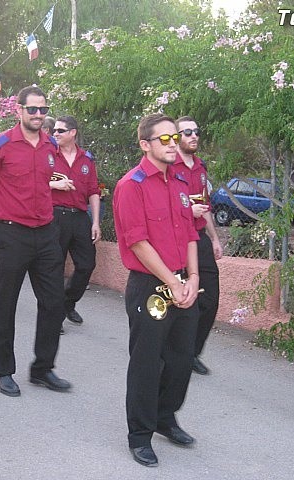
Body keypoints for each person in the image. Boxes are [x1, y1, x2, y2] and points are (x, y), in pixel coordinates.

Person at [113, 113, 200, 467]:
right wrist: (173, 281)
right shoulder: (130, 185)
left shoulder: (180, 182)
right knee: (148, 362)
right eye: (164, 139)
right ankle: (140, 434)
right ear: (145, 145)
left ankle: (166, 417)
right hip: (151, 285)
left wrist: (193, 278)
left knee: (181, 359)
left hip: (183, 282)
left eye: (175, 138)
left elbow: (191, 233)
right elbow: (137, 242)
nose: (173, 144)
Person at [0, 85, 71, 397]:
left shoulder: (50, 146)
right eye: (32, 109)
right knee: (6, 304)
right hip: (11, 232)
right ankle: (2, 371)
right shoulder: (0, 145)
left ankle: (43, 369)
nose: (39, 115)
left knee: (54, 302)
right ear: (18, 111)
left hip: (45, 233)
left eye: (43, 110)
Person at [174, 116, 222, 375]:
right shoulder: (171, 165)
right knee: (180, 299)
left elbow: (205, 209)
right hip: (177, 239)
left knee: (210, 299)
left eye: (196, 131)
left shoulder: (200, 168)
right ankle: (177, 351)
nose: (193, 136)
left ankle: (191, 352)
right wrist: (186, 211)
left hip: (199, 239)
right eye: (187, 132)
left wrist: (214, 239)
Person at [51, 115, 101, 325]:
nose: (55, 134)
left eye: (60, 131)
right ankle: (53, 317)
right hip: (54, 215)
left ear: (73, 133)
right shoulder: (48, 156)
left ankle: (67, 303)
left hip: (80, 216)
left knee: (87, 264)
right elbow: (34, 182)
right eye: (54, 130)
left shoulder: (86, 159)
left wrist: (96, 222)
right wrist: (54, 186)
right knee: (54, 267)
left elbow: (93, 192)